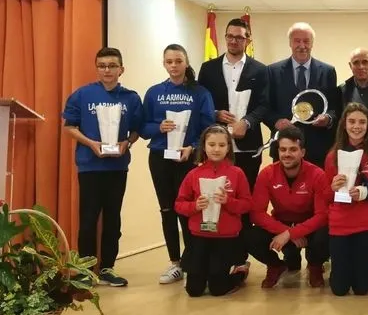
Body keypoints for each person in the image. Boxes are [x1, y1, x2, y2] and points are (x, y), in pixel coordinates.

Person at [61, 47, 143, 287]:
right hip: (90, 166)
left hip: (117, 168)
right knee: (87, 220)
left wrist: (126, 143)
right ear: (96, 68)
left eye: (112, 66)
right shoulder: (82, 95)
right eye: (102, 66)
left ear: (121, 69)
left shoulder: (131, 97)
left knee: (112, 219)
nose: (107, 70)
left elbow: (138, 130)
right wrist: (91, 143)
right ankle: (86, 271)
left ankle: (107, 268)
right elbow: (69, 126)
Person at [141, 44, 215, 285]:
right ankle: (174, 262)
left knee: (190, 208)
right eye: (169, 61)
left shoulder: (200, 92)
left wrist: (193, 146)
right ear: (164, 64)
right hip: (160, 156)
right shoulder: (153, 93)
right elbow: (142, 128)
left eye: (178, 61)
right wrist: (157, 128)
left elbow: (208, 126)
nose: (174, 66)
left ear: (186, 63)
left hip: (188, 158)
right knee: (167, 209)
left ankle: (192, 259)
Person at [243, 126, 329, 289]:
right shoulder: (267, 174)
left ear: (302, 152)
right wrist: (285, 232)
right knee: (249, 235)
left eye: (293, 149)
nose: (287, 154)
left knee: (327, 234)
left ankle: (315, 266)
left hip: (309, 226)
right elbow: (256, 213)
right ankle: (275, 265)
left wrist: (292, 233)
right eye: (283, 149)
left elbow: (322, 215)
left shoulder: (317, 174)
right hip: (281, 224)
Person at [173, 125, 252, 297]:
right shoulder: (193, 174)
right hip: (199, 236)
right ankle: (206, 273)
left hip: (225, 237)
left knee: (218, 289)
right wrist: (195, 206)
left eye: (222, 145)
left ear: (228, 147)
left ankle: (240, 271)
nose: (216, 149)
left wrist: (228, 202)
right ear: (204, 146)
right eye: (212, 144)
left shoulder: (237, 173)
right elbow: (179, 205)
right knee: (193, 291)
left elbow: (247, 204)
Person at [325, 102, 368, 296]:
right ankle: (337, 274)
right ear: (344, 124)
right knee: (339, 289)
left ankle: (361, 275)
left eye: (362, 122)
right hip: (340, 224)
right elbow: (325, 196)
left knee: (361, 289)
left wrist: (365, 191)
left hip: (367, 224)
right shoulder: (332, 156)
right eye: (352, 121)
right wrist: (333, 187)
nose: (356, 126)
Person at [197, 18, 270, 189]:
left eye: (238, 37)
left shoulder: (260, 70)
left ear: (247, 40)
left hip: (249, 146)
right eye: (229, 36)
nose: (233, 41)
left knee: (245, 198)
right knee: (215, 196)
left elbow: (265, 104)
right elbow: (200, 103)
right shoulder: (208, 68)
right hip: (215, 145)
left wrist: (247, 122)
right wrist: (215, 113)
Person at [266, 22, 340, 168]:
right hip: (283, 147)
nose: (302, 45)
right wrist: (276, 122)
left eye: (306, 41)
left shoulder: (328, 71)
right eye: (297, 41)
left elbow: (334, 106)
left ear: (312, 43)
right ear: (290, 43)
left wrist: (328, 118)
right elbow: (265, 106)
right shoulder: (272, 71)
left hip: (317, 147)